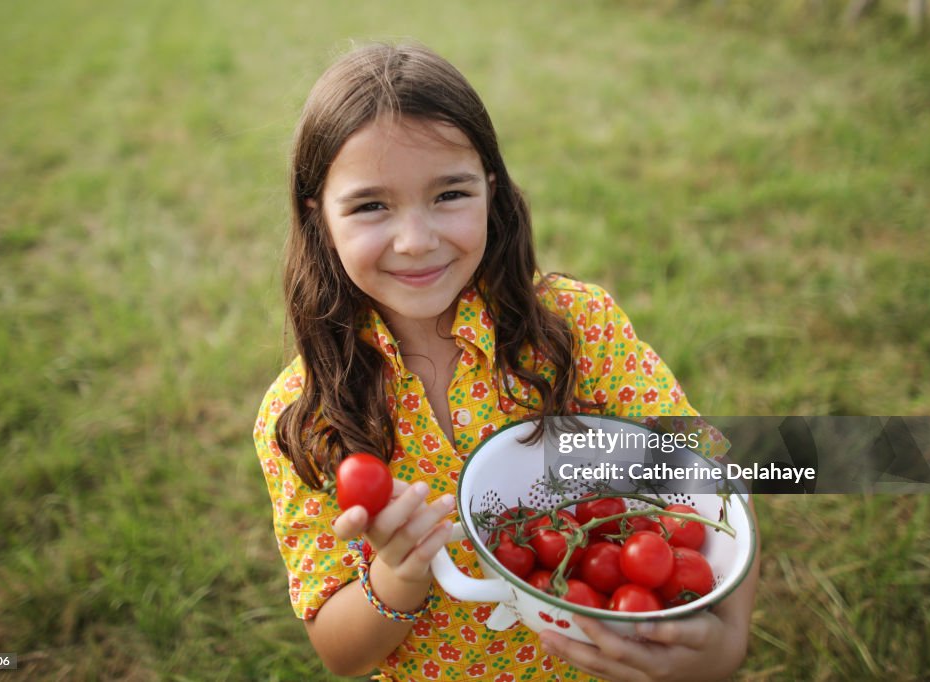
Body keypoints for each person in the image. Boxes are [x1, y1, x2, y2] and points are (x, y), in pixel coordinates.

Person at [254, 42, 759, 682]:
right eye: (371, 205)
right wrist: (400, 571)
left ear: (491, 191)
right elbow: (341, 652)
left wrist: (726, 642)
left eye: (450, 194)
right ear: (317, 215)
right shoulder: (304, 414)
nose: (416, 240)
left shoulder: (579, 328)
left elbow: (710, 474)